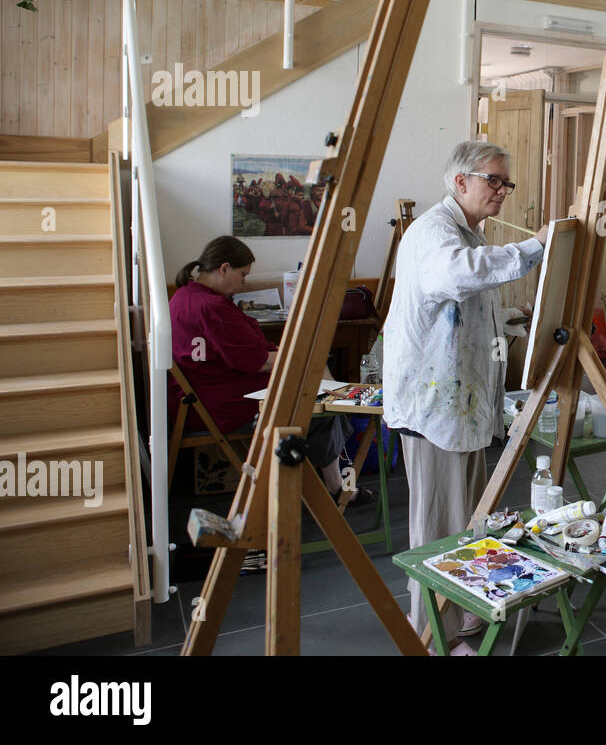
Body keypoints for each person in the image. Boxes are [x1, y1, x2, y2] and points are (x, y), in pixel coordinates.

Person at [384, 141, 547, 652]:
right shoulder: (435, 231)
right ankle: (431, 638)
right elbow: (456, 275)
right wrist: (536, 247)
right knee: (440, 531)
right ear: (460, 182)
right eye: (493, 181)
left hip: (461, 407)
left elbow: (464, 305)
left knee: (467, 520)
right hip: (437, 410)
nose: (502, 191)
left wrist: (510, 320)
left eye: (506, 183)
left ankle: (464, 619)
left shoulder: (466, 231)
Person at [168, 236, 356, 501]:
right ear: (223, 269)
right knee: (318, 396)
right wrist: (300, 357)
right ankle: (335, 485)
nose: (243, 283)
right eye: (242, 274)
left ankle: (331, 477)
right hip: (219, 404)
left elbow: (242, 352)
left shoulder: (185, 295)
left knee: (318, 380)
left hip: (202, 394)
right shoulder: (211, 307)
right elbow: (253, 361)